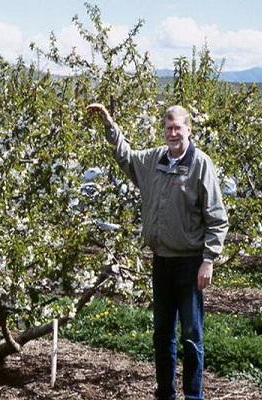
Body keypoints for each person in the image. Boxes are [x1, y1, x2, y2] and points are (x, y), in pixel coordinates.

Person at [86, 103, 228, 400]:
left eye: (178, 127)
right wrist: (110, 125)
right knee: (162, 335)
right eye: (168, 128)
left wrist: (209, 260)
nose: (173, 133)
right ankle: (165, 394)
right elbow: (126, 158)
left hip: (189, 265)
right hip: (161, 262)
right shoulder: (154, 160)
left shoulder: (200, 164)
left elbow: (217, 217)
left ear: (189, 129)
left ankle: (193, 396)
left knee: (191, 336)